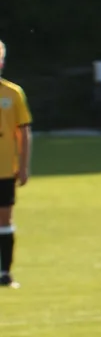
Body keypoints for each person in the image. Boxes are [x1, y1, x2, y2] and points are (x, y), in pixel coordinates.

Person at [0, 41, 33, 289]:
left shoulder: (13, 93)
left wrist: (23, 166)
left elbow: (23, 132)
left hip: (4, 169)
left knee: (4, 220)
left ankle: (4, 273)